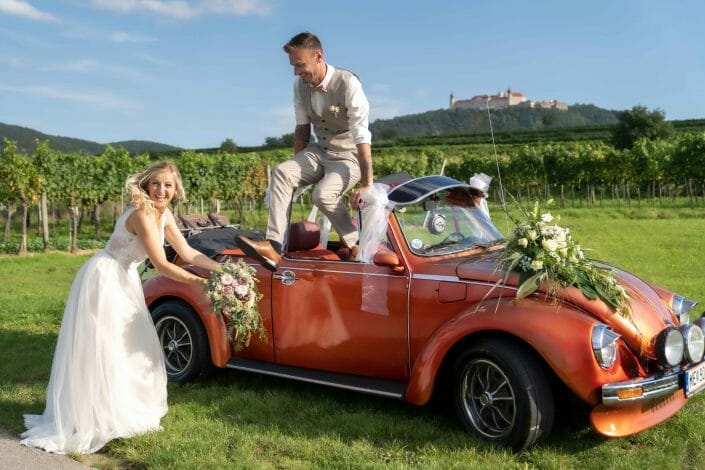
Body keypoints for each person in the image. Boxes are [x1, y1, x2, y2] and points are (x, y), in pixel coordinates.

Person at [21, 161, 221, 454]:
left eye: (168, 185)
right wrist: (198, 283)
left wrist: (222, 271)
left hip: (124, 278)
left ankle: (117, 406)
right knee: (106, 345)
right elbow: (163, 265)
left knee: (129, 344)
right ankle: (98, 414)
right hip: (105, 278)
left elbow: (188, 252)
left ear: (177, 189)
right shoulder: (142, 214)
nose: (161, 190)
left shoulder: (164, 215)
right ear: (145, 185)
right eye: (156, 183)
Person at [236, 31, 374, 271]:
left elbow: (362, 138)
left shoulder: (348, 83)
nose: (296, 72)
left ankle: (354, 243)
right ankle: (273, 247)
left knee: (322, 195)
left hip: (347, 156)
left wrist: (367, 183)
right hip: (319, 150)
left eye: (300, 65)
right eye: (293, 66)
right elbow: (301, 128)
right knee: (281, 172)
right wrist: (296, 173)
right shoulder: (299, 86)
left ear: (318, 56)